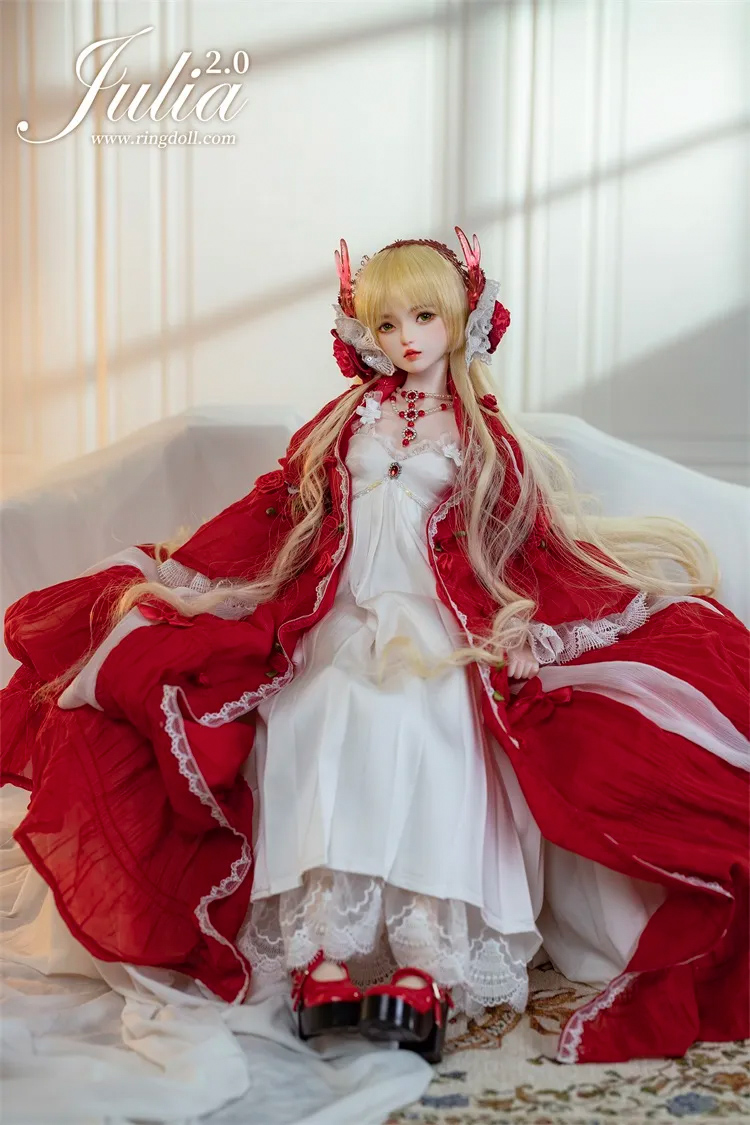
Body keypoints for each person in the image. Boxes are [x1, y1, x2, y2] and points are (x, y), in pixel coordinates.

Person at [1, 228, 748, 1067]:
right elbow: (276, 512)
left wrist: (520, 626)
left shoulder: (483, 438)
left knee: (433, 722)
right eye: (387, 324)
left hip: (441, 628)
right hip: (338, 616)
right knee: (317, 709)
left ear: (460, 318)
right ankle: (321, 956)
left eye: (423, 317)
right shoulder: (344, 423)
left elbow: (521, 546)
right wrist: (198, 578)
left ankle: (424, 966)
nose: (406, 339)